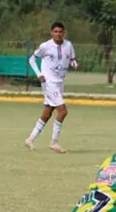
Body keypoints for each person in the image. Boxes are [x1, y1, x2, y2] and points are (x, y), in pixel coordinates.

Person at [25, 22, 77, 153]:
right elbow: (31, 59)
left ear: (64, 32)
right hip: (49, 83)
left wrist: (75, 64)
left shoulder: (68, 45)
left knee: (47, 113)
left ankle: (30, 139)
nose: (58, 34)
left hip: (59, 82)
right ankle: (54, 142)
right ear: (51, 32)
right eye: (56, 32)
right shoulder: (46, 46)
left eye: (60, 32)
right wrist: (39, 74)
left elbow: (72, 59)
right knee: (63, 111)